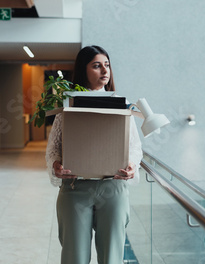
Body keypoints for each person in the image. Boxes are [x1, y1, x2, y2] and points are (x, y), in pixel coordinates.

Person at [45, 45, 143, 264]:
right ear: (84, 70)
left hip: (113, 188)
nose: (104, 70)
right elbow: (53, 148)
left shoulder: (122, 106)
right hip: (74, 188)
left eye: (107, 65)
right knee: (74, 257)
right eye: (97, 66)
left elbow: (135, 147)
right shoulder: (68, 106)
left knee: (112, 258)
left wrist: (132, 165)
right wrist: (56, 165)